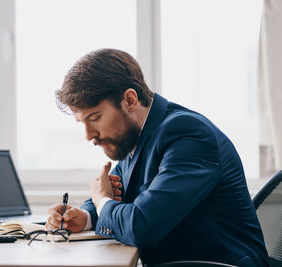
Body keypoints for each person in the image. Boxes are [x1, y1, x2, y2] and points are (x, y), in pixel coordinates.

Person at [45, 48, 268, 266]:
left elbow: (141, 226)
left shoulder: (187, 135)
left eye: (95, 117)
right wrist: (84, 217)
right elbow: (116, 194)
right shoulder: (133, 139)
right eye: (82, 122)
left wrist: (102, 201)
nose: (88, 135)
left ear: (129, 100)